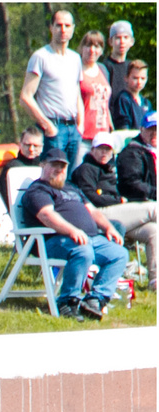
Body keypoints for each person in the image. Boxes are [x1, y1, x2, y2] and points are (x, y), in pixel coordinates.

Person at [20, 147, 129, 319]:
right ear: (42, 165)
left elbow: (92, 211)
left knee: (119, 254)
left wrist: (108, 227)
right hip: (54, 242)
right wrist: (72, 231)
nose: (59, 169)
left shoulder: (72, 188)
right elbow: (47, 215)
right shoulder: (38, 190)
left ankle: (95, 300)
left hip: (89, 239)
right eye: (54, 164)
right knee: (82, 251)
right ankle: (67, 301)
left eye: (62, 166)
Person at [73, 132, 158, 287]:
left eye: (108, 149)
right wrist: (118, 200)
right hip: (97, 215)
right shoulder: (86, 169)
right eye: (100, 149)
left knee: (153, 230)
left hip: (117, 215)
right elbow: (91, 198)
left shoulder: (109, 169)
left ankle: (155, 281)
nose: (104, 153)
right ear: (92, 150)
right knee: (154, 209)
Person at [21, 10, 86, 164]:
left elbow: (76, 93)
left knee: (69, 180)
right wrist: (48, 126)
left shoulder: (75, 58)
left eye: (67, 25)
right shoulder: (41, 57)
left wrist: (81, 125)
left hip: (73, 129)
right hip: (53, 128)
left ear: (73, 28)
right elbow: (25, 97)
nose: (63, 30)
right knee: (51, 179)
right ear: (51, 27)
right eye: (58, 25)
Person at [117, 112, 158, 290]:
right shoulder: (132, 153)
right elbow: (131, 184)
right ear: (141, 130)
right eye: (151, 130)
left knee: (153, 231)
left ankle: (155, 281)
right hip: (137, 206)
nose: (155, 134)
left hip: (151, 209)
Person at [78, 31, 115, 159]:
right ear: (82, 47)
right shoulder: (76, 69)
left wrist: (111, 127)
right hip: (83, 136)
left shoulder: (103, 70)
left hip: (103, 136)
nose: (92, 50)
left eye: (97, 46)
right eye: (88, 45)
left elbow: (105, 102)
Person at [0, 125, 47, 207]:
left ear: (42, 147)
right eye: (27, 145)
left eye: (35, 146)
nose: (31, 149)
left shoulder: (46, 167)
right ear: (20, 145)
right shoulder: (12, 168)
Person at [113, 61, 151, 132]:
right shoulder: (123, 99)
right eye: (135, 78)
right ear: (126, 78)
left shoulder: (146, 103)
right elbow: (123, 126)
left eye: (142, 78)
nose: (139, 82)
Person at [101, 21, 135, 98]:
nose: (122, 42)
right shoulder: (104, 67)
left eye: (125, 37)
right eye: (117, 38)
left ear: (131, 42)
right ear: (110, 41)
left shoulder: (132, 67)